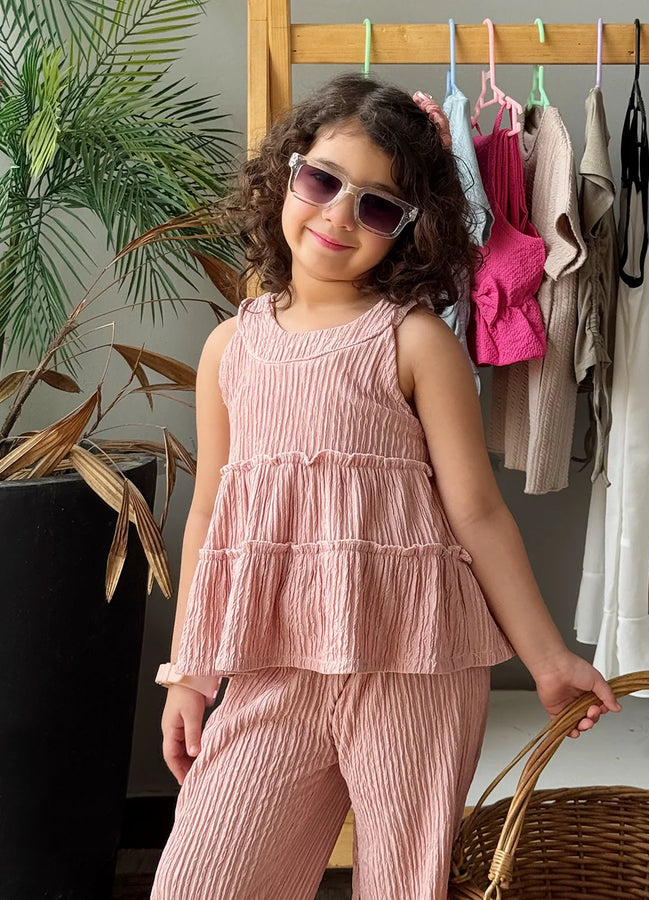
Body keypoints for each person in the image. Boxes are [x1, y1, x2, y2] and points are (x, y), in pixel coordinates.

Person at [150, 73, 620, 900]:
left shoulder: (415, 343)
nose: (337, 217)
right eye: (323, 181)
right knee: (201, 881)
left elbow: (476, 511)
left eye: (375, 207)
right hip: (273, 664)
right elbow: (212, 518)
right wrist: (190, 670)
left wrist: (549, 662)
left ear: (408, 231)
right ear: (287, 176)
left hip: (416, 662)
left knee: (405, 885)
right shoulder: (230, 348)